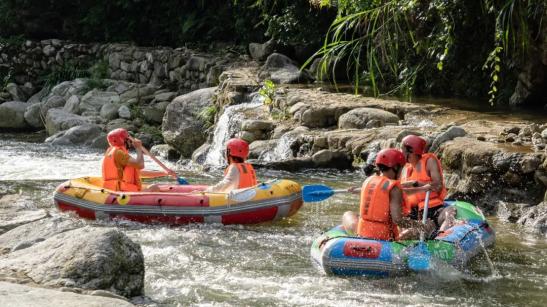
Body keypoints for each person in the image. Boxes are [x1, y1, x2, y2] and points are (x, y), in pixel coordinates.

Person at [342, 148, 432, 241]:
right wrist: (420, 225)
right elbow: (398, 220)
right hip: (383, 237)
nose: (402, 171)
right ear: (396, 167)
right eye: (401, 168)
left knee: (347, 214)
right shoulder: (394, 188)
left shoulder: (368, 180)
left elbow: (390, 191)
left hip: (362, 232)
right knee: (430, 226)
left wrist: (419, 187)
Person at [399, 135, 455, 232]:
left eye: (403, 151)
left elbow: (438, 186)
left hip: (433, 208)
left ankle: (442, 239)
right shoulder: (405, 169)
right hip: (414, 213)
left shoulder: (429, 161)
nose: (401, 154)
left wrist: (417, 184)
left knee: (450, 211)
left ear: (411, 152)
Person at [102, 128, 174, 192]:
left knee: (153, 187)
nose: (130, 141)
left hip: (114, 190)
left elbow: (139, 173)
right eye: (128, 139)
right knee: (154, 188)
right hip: (122, 192)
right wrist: (138, 148)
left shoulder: (114, 153)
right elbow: (140, 165)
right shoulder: (119, 153)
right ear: (123, 140)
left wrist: (164, 173)